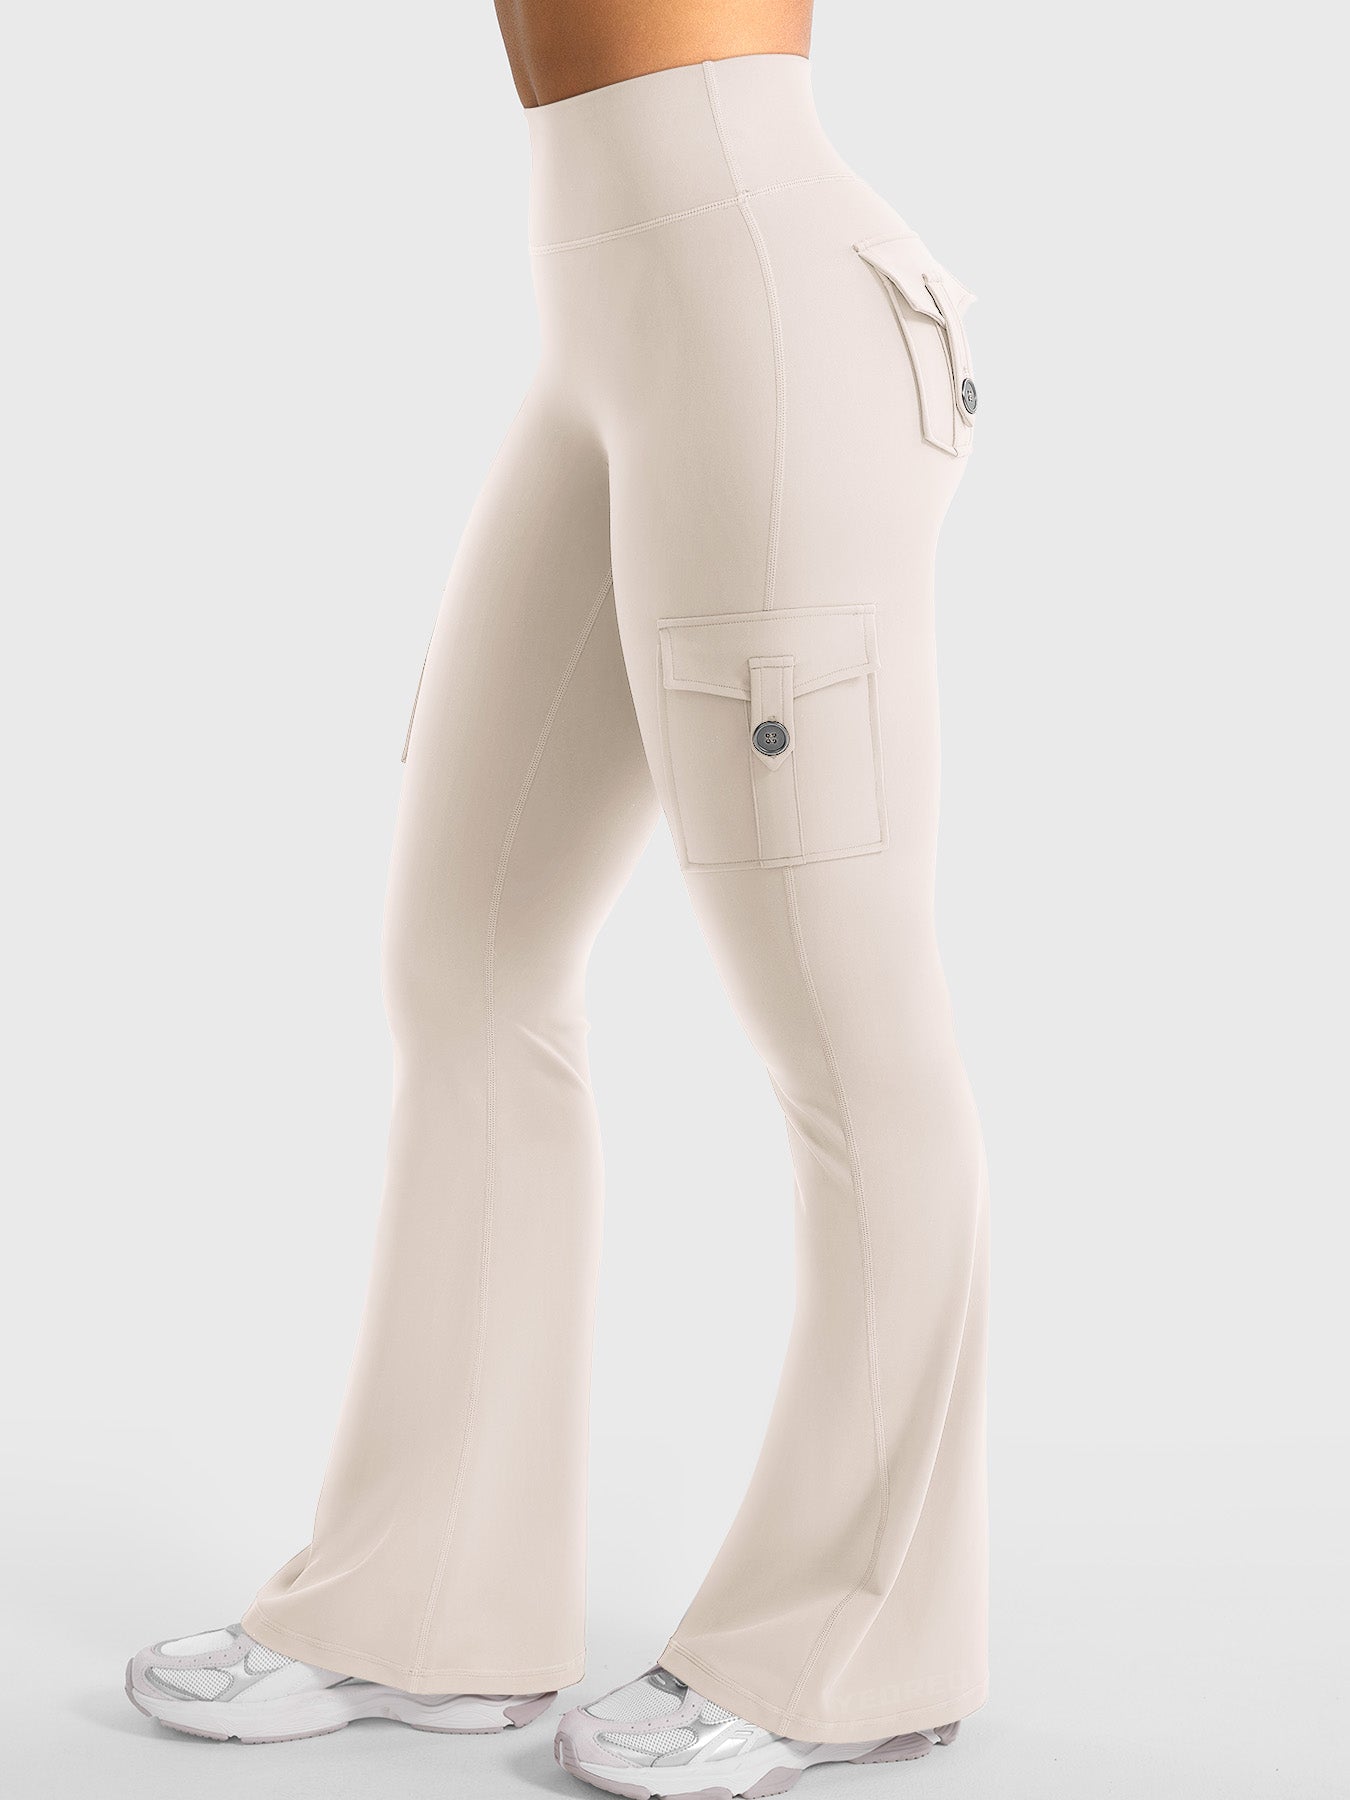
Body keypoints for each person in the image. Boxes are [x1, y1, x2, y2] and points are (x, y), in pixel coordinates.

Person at [125, 3, 991, 1792]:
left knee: (841, 1028)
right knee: (466, 958)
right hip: (607, 323)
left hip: (766, 318)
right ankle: (425, 1603)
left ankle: (848, 1646)